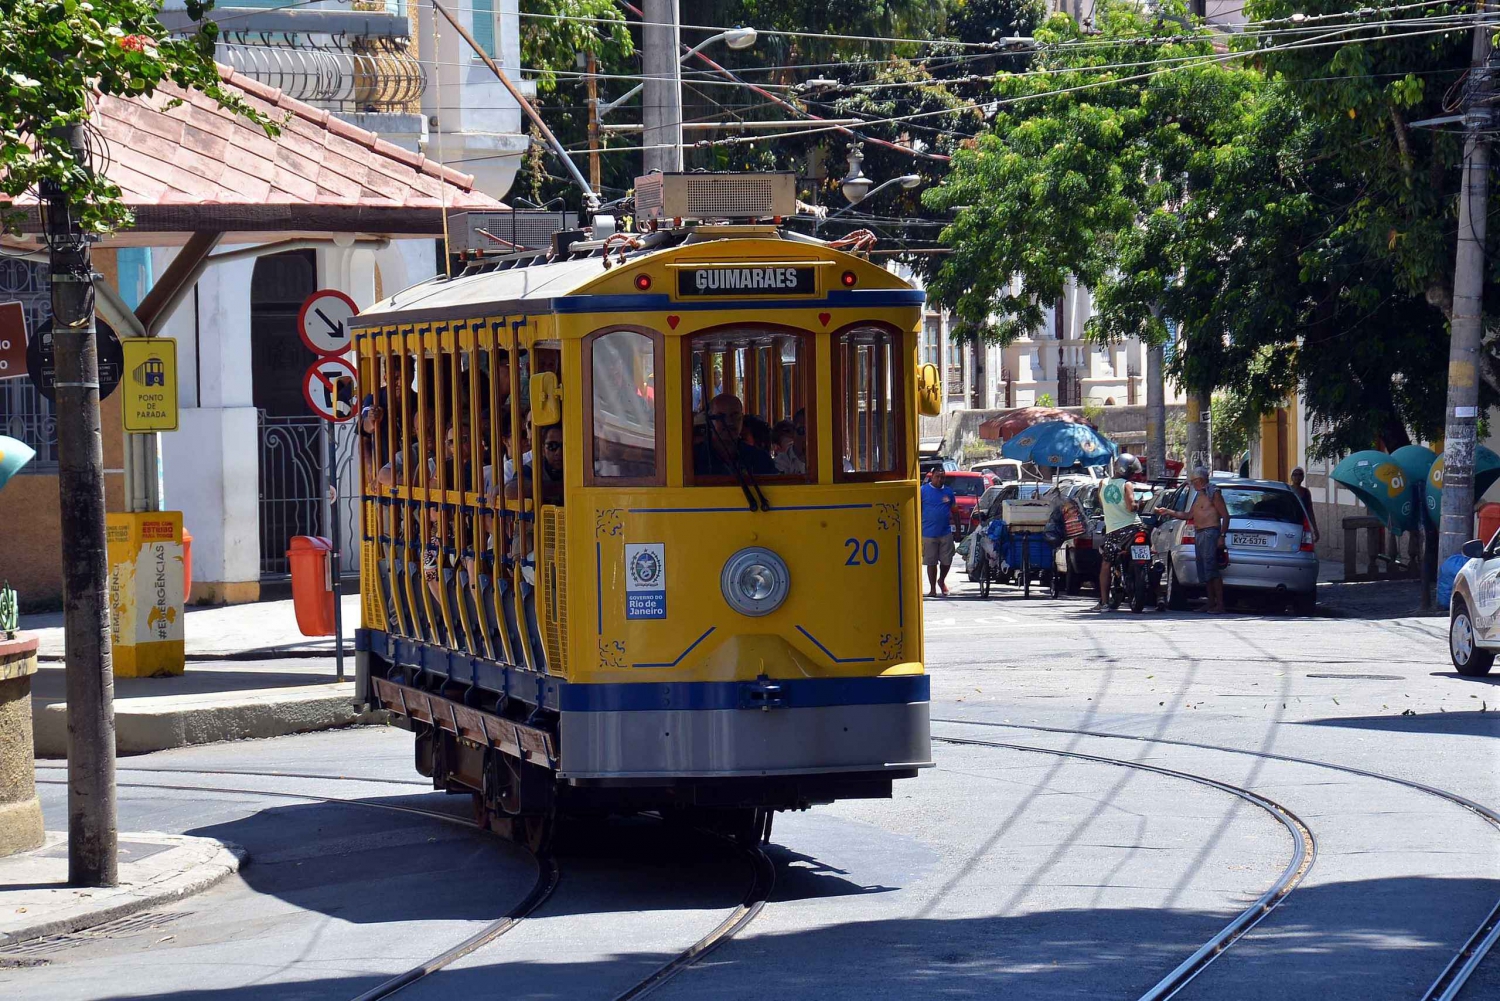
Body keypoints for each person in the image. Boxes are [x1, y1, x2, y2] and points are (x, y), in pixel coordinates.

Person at [1159, 465, 1231, 613]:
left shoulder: (1213, 492)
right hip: (1199, 534)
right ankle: (1210, 603)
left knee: (1212, 568)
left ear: (1200, 480)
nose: (1192, 484)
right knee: (1204, 570)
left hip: (1210, 533)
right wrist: (1168, 512)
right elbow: (1188, 515)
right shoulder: (1199, 495)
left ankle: (1220, 604)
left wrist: (1222, 536)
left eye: (1193, 481)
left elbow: (1225, 515)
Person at [1093, 453, 1147, 612]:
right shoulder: (1127, 485)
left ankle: (1103, 602)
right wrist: (1141, 503)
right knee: (1149, 555)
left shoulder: (1103, 483)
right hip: (1134, 528)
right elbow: (1132, 507)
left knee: (1106, 563)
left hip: (1114, 533)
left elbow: (1103, 504)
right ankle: (1158, 596)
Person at [694, 393, 777, 475]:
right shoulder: (693, 459)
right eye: (721, 417)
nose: (729, 422)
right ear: (710, 421)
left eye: (734, 416)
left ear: (742, 418)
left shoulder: (759, 458)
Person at [921, 469, 959, 597]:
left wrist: (958, 530)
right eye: (937, 477)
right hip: (928, 533)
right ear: (932, 477)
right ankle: (932, 589)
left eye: (942, 477)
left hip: (945, 532)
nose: (940, 480)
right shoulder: (923, 491)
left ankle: (941, 580)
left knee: (947, 561)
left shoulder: (948, 492)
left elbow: (955, 511)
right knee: (931, 562)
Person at [1289, 466, 1319, 543]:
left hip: (1302, 523)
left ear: (1303, 477)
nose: (1297, 477)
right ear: (1291, 477)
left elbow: (1310, 511)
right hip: (1290, 522)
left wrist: (1315, 529)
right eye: (1295, 474)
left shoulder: (1306, 492)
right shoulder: (1288, 491)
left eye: (1300, 474)